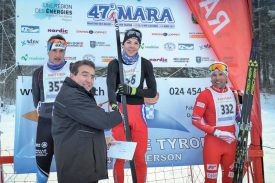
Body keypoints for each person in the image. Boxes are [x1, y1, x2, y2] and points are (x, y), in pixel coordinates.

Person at [52, 60, 122, 183]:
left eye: (92, 76)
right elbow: (104, 121)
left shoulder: (80, 93)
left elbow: (83, 128)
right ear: (72, 76)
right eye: (84, 75)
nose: (89, 80)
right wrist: (119, 114)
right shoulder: (71, 95)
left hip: (83, 166)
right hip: (76, 169)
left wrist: (102, 140)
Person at [107, 28, 157, 183]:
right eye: (128, 42)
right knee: (120, 157)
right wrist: (114, 107)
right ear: (122, 44)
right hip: (120, 110)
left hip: (138, 113)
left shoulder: (146, 63)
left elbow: (152, 91)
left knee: (139, 157)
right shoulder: (114, 63)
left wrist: (132, 90)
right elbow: (110, 88)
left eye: (136, 43)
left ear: (139, 45)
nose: (132, 46)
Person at [192, 62, 241, 183]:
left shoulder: (234, 93)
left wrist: (244, 120)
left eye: (220, 74)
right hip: (213, 143)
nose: (217, 78)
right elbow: (195, 120)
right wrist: (217, 132)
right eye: (214, 75)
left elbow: (237, 116)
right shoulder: (205, 95)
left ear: (226, 76)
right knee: (211, 179)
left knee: (230, 178)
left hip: (231, 142)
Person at [32, 34, 70, 183]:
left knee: (68, 169)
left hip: (68, 125)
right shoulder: (38, 73)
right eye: (54, 50)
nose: (58, 55)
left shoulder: (73, 69)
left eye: (61, 51)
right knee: (42, 169)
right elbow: (36, 101)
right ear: (48, 51)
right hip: (45, 125)